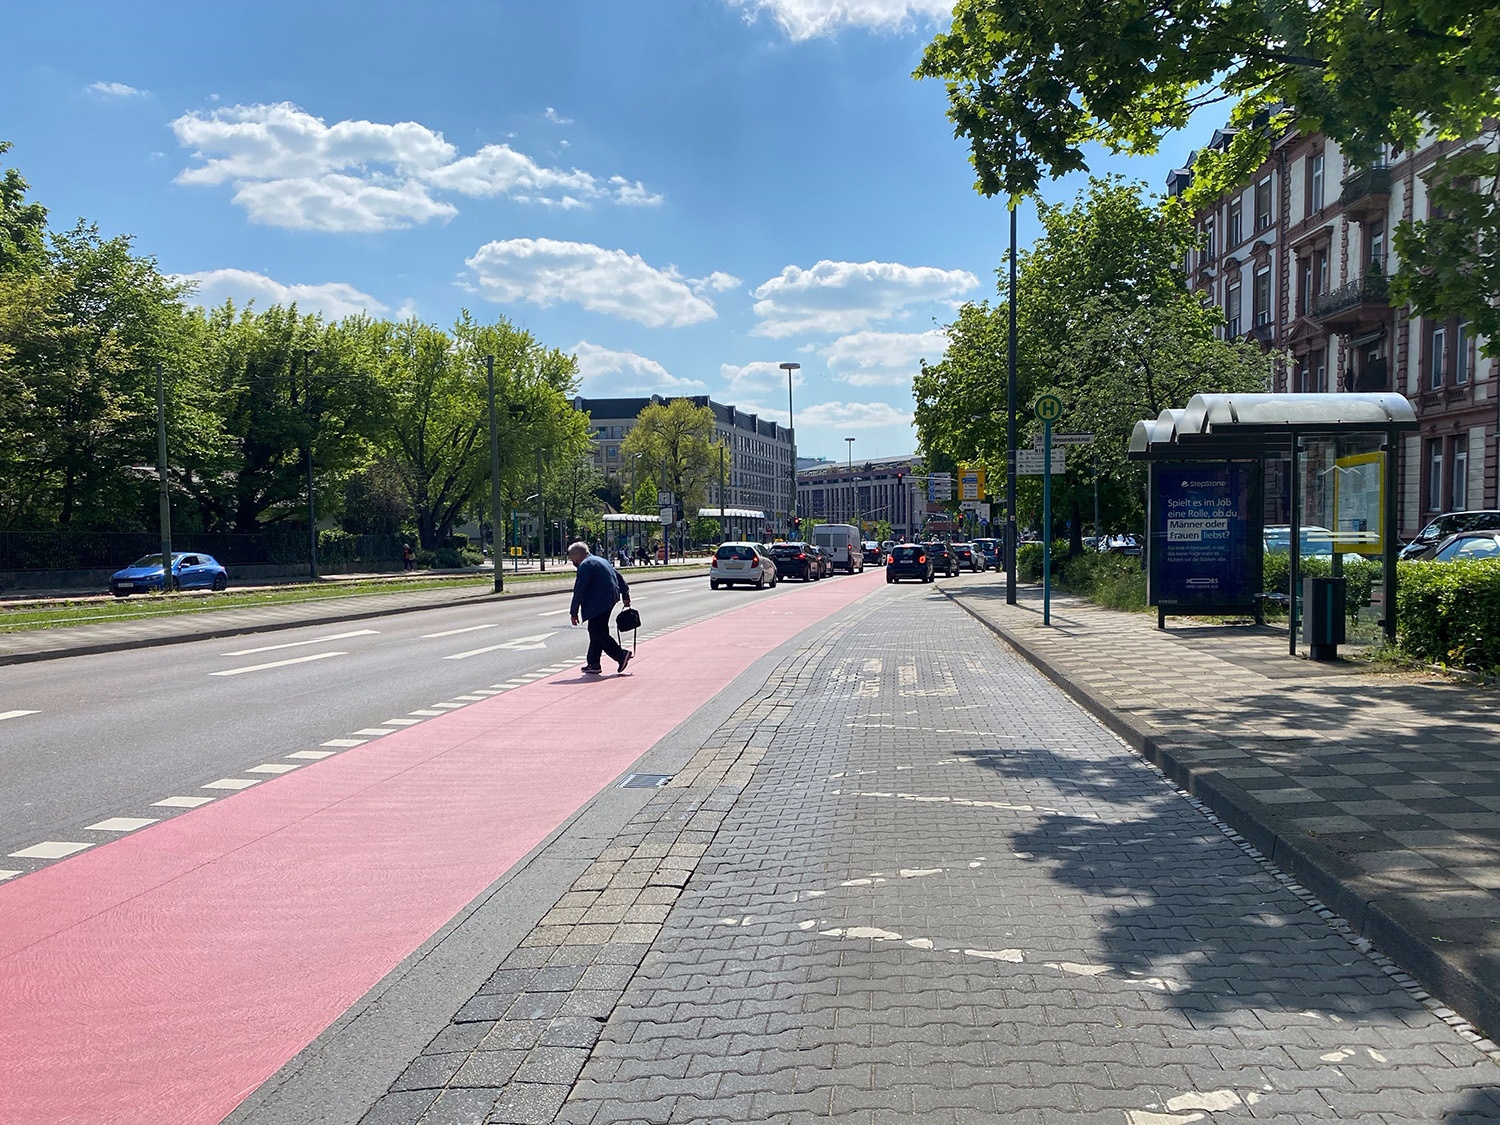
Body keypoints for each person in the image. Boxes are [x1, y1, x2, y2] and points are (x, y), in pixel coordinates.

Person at [567, 541, 632, 675]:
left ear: (577, 555)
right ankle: (593, 663)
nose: (572, 561)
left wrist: (574, 612)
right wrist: (625, 594)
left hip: (599, 601)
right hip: (610, 598)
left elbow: (579, 590)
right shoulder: (601, 560)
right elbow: (618, 576)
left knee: (597, 632)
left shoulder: (585, 566)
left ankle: (621, 655)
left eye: (572, 558)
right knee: (597, 630)